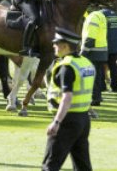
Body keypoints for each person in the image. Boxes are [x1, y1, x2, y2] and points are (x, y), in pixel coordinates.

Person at [43, 27, 95, 171]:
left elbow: (67, 96)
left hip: (67, 120)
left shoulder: (67, 66)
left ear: (65, 46)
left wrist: (56, 122)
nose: (54, 46)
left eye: (56, 43)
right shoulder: (85, 63)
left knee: (50, 165)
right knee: (82, 165)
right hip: (83, 119)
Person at [81, 9, 108, 107]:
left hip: (93, 51)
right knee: (98, 77)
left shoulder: (92, 17)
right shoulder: (101, 15)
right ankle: (97, 97)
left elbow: (91, 37)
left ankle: (94, 98)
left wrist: (83, 53)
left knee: (92, 77)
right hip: (101, 51)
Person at [101, 6, 117, 92]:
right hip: (115, 44)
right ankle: (115, 87)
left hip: (104, 43)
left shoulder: (101, 14)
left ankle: (102, 86)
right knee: (114, 66)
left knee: (102, 66)